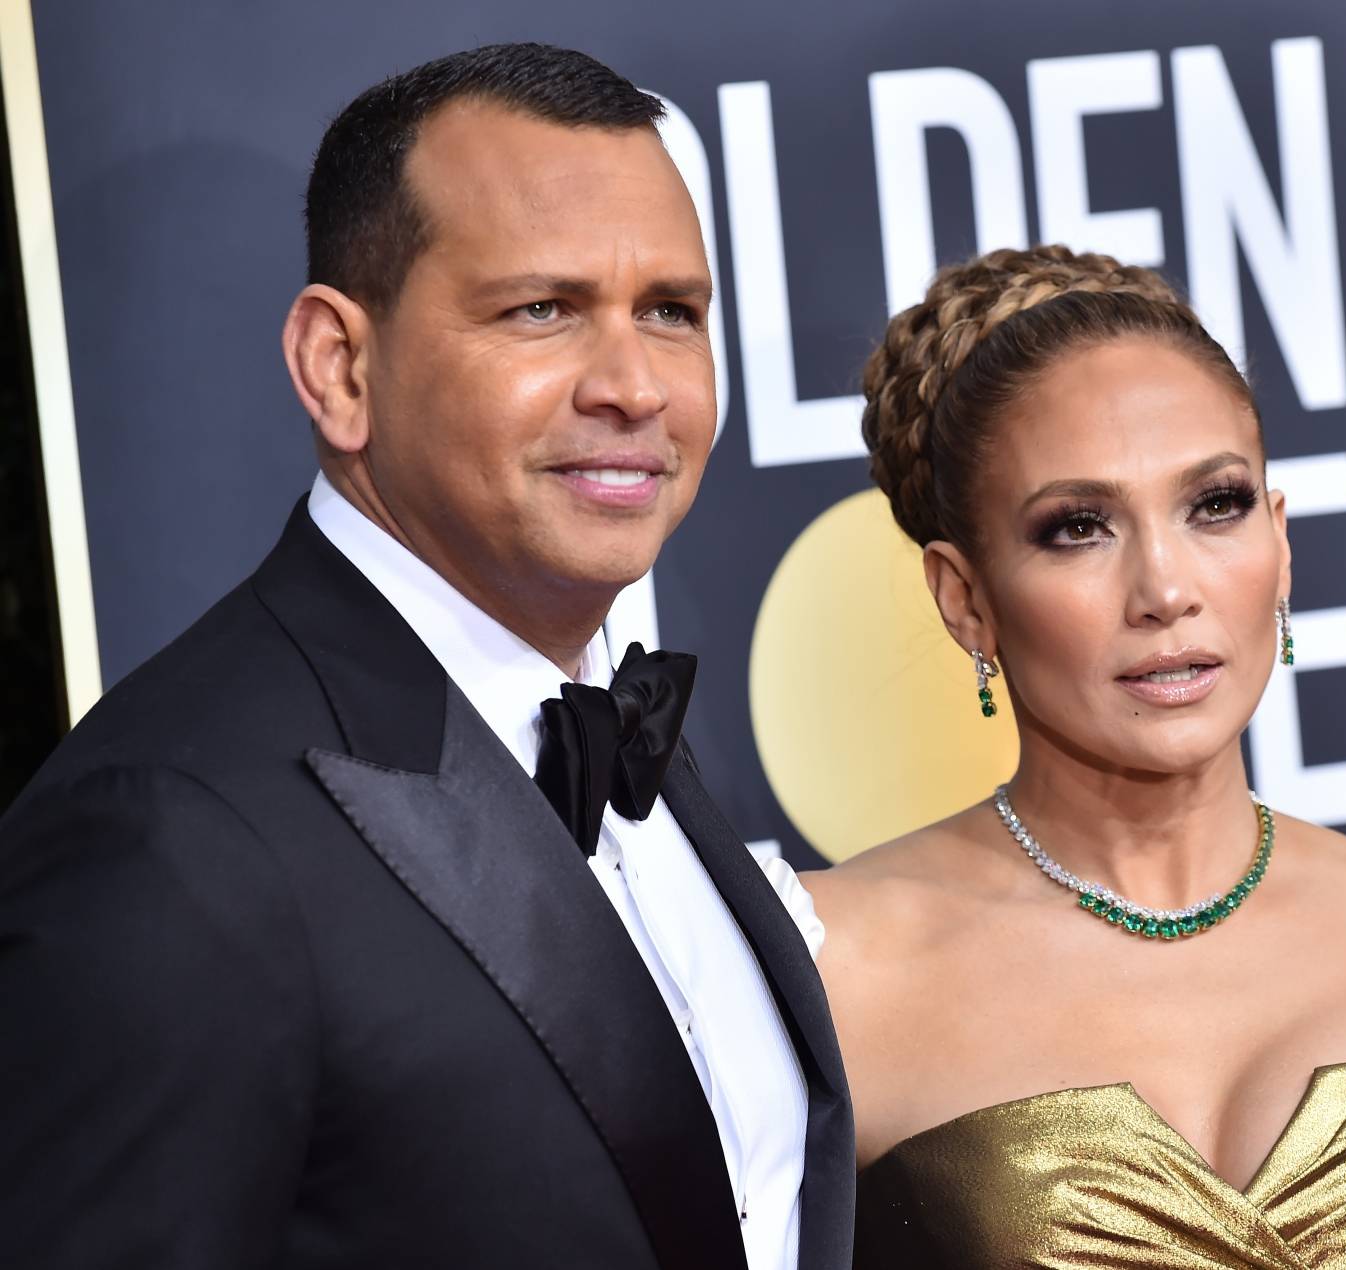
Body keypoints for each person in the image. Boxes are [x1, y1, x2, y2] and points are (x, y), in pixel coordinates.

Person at [0, 43, 851, 1270]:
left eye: (670, 311)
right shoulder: (168, 838)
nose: (633, 386)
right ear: (340, 368)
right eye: (540, 310)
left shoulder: (621, 718)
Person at [800, 245, 1346, 1266]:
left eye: (1212, 504)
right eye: (1077, 527)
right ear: (965, 599)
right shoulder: (838, 968)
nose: (1164, 588)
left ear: (1280, 542)